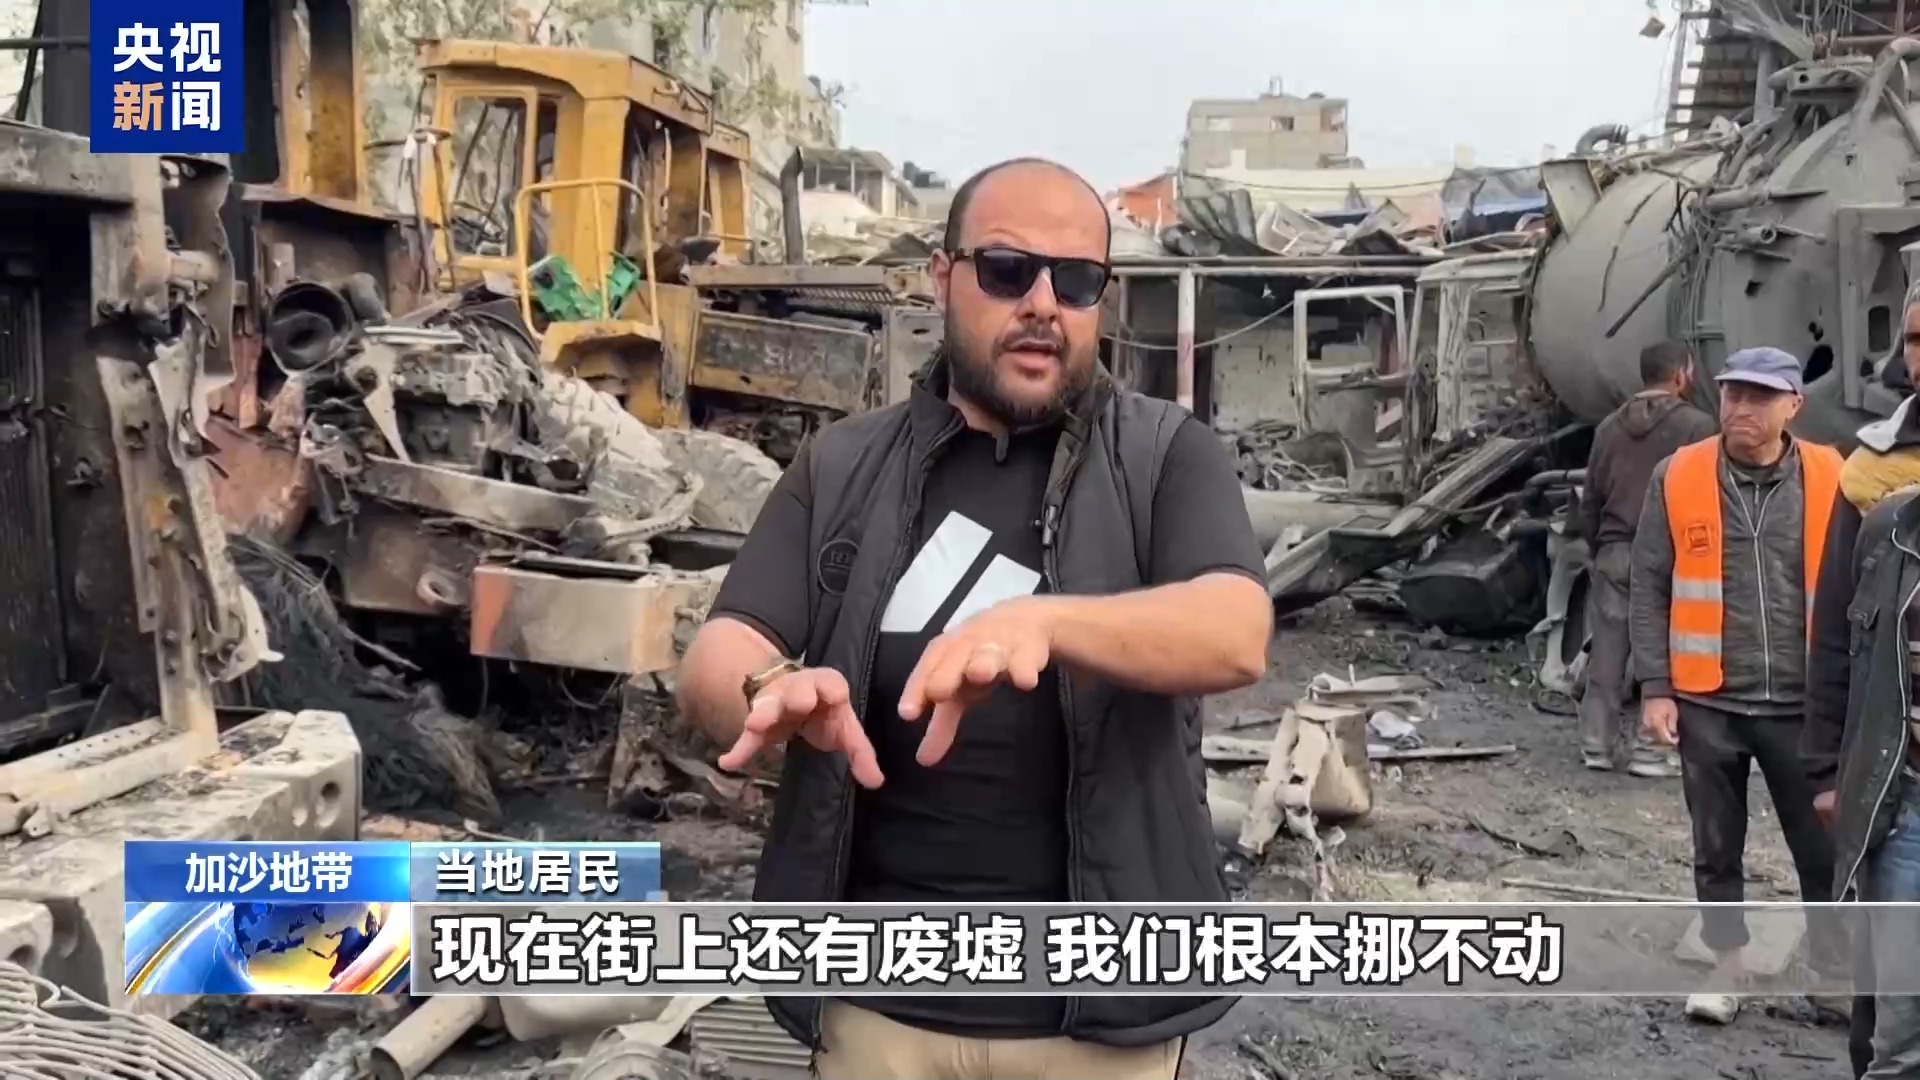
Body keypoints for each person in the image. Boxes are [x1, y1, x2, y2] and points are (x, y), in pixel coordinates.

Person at [674, 157, 1273, 1080]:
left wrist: (1047, 625)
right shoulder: (842, 464)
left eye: (1076, 281)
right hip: (877, 1009)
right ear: (941, 276)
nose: (1043, 304)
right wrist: (768, 688)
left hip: (1101, 1020)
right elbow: (723, 648)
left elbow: (1234, 630)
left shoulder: (1166, 455)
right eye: (1006, 270)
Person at [1629, 345, 1847, 1025]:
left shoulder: (1834, 476)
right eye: (1732, 393)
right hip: (1708, 701)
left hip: (1803, 707)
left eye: (1759, 396)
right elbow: (1649, 585)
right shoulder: (1678, 475)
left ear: (1794, 405)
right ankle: (1727, 966)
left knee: (1823, 850)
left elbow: (1859, 590)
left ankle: (1834, 973)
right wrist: (1655, 687)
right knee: (1716, 849)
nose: (1741, 407)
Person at [1806, 285, 1920, 1078]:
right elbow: (1835, 634)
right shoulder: (1874, 478)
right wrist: (1825, 770)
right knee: (1894, 1014)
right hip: (1904, 789)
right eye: (1916, 338)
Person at [1577, 342, 1717, 775]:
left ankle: (1596, 744)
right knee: (1662, 656)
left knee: (1607, 653)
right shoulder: (1698, 427)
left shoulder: (1607, 429)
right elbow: (1708, 496)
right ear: (1681, 374)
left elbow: (1590, 499)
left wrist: (1600, 548)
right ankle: (1652, 751)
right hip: (1668, 557)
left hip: (1614, 551)